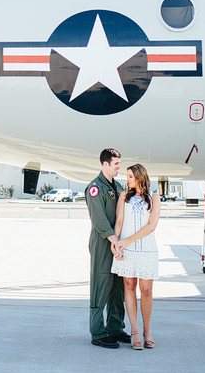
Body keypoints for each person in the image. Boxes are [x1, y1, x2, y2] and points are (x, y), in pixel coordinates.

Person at [111, 162, 160, 350]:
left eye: (130, 176)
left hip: (147, 249)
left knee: (146, 290)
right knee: (129, 286)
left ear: (140, 177)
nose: (127, 179)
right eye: (127, 176)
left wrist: (127, 240)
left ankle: (147, 330)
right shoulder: (124, 196)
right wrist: (117, 244)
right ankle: (134, 331)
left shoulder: (154, 197)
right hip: (126, 250)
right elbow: (119, 222)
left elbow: (151, 226)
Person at [84, 148, 130, 349]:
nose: (119, 167)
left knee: (118, 285)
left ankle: (115, 328)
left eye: (120, 163)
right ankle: (97, 331)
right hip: (104, 242)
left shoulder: (118, 186)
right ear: (105, 164)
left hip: (118, 243)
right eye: (116, 164)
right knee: (101, 283)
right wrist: (114, 241)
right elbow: (99, 220)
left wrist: (120, 243)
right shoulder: (95, 188)